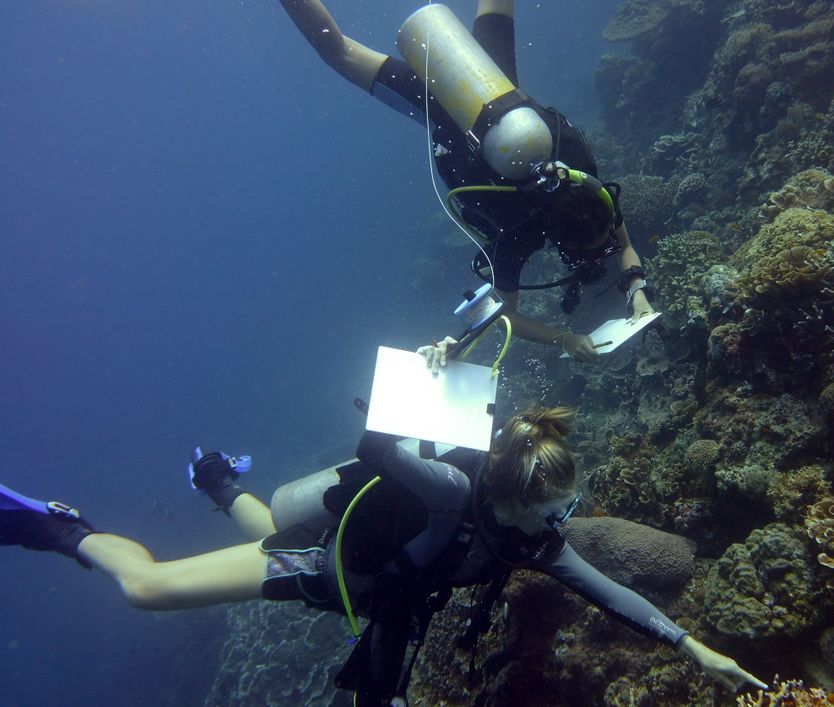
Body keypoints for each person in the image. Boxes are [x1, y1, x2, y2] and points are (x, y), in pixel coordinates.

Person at [0, 406, 766, 705]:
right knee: (148, 589)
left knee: (267, 518)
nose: (563, 523)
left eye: (567, 505)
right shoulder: (442, 489)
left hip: (369, 581)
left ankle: (214, 476)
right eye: (553, 509)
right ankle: (60, 525)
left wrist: (695, 648)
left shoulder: (529, 537)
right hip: (328, 570)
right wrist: (432, 380)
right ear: (507, 497)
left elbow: (609, 592)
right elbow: (375, 443)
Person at [278, 0, 657, 362]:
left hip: (491, 77)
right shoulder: (520, 230)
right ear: (551, 234)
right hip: (446, 110)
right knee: (339, 54)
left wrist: (637, 290)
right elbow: (503, 314)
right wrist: (566, 339)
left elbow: (620, 243)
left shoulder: (583, 180)